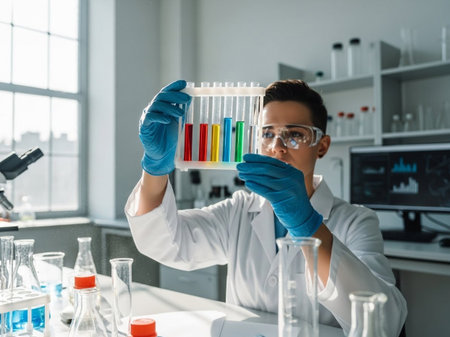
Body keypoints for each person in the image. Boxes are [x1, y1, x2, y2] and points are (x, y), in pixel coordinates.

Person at [125, 79, 407, 336]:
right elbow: (167, 243)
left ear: (322, 146)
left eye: (295, 134)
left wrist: (308, 224)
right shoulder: (239, 211)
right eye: (267, 134)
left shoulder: (356, 221)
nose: (278, 147)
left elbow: (384, 322)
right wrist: (155, 169)